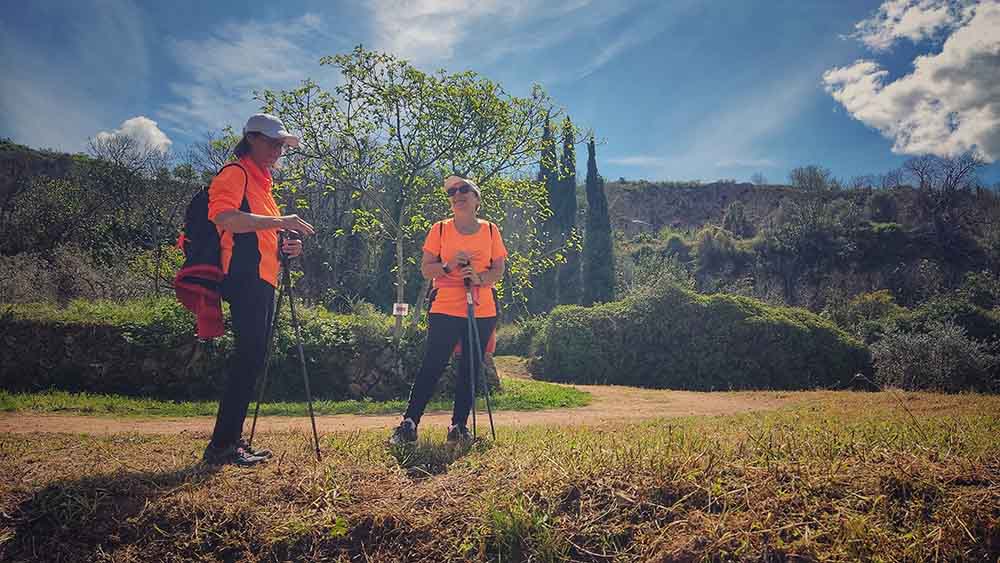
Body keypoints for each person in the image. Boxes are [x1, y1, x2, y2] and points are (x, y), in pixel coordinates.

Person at [202, 113, 315, 466]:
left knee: (253, 357)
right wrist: (282, 222)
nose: (278, 150)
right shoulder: (235, 173)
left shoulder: (264, 187)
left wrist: (287, 246)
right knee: (248, 356)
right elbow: (226, 218)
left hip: (264, 278)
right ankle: (222, 445)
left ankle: (231, 442)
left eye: (282, 145)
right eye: (272, 142)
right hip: (243, 277)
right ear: (251, 138)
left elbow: (263, 235)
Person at [390, 175, 507, 445]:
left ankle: (459, 427)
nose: (457, 194)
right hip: (445, 305)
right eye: (452, 192)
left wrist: (479, 277)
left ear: (477, 198)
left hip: (482, 308)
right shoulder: (440, 229)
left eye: (463, 189)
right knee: (433, 364)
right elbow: (426, 269)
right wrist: (449, 265)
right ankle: (408, 424)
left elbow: (498, 269)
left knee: (470, 368)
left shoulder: (491, 230)